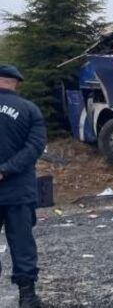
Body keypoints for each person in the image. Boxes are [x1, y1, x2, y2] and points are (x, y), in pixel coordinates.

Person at [0, 65, 47, 308]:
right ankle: (27, 297)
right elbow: (35, 147)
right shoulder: (29, 109)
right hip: (19, 191)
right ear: (15, 83)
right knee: (22, 243)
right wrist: (6, 169)